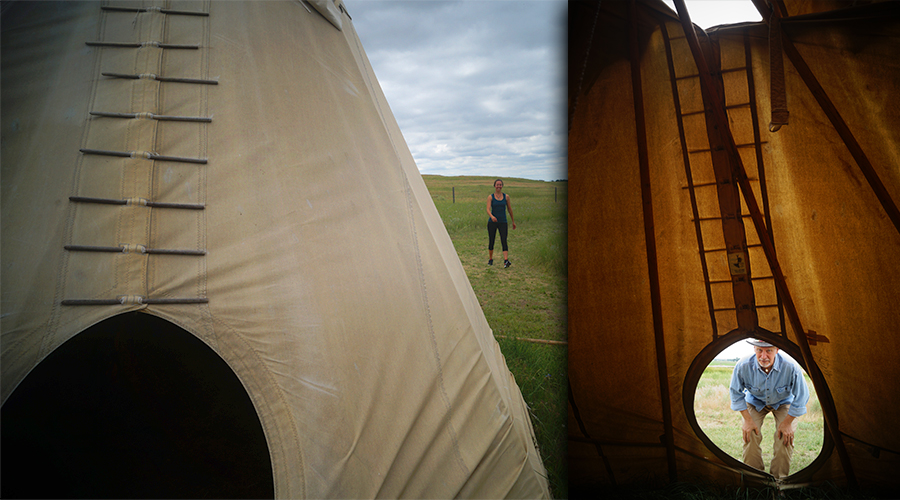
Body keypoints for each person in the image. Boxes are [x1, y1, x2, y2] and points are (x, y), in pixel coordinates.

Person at [729, 339, 810, 478]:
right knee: (750, 435)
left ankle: (779, 482)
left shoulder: (791, 366)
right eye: (759, 350)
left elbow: (802, 397)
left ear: (777, 349)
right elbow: (736, 394)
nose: (763, 356)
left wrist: (787, 423)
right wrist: (748, 420)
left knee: (785, 437)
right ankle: (755, 480)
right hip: (755, 401)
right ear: (754, 348)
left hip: (783, 402)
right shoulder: (742, 365)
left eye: (768, 350)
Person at [485, 178, 516, 267]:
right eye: (497, 185)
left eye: (500, 185)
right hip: (492, 222)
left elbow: (510, 209)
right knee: (492, 240)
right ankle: (490, 259)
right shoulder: (490, 197)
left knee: (504, 240)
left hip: (503, 222)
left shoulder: (506, 197)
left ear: (502, 186)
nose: (499, 186)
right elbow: (488, 209)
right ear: (494, 186)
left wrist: (513, 221)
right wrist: (492, 217)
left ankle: (506, 260)